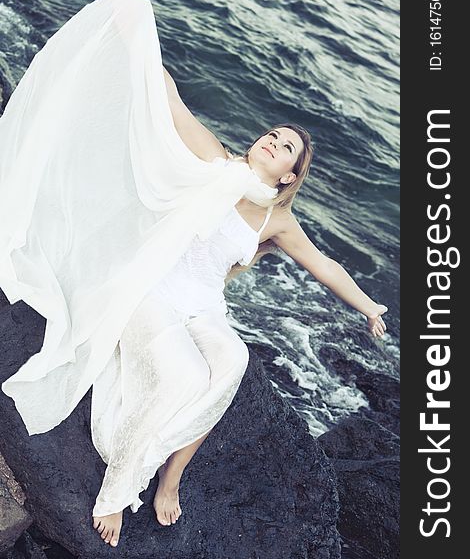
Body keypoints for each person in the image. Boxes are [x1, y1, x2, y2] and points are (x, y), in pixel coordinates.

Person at [90, 63, 388, 547]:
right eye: (272, 133)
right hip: (155, 292)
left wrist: (370, 306)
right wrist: (140, 41)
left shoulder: (277, 219)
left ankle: (172, 476)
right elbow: (173, 106)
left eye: (285, 145)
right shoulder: (216, 163)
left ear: (290, 173)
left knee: (234, 361)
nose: (272, 140)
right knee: (185, 375)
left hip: (203, 306)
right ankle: (115, 490)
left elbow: (325, 265)